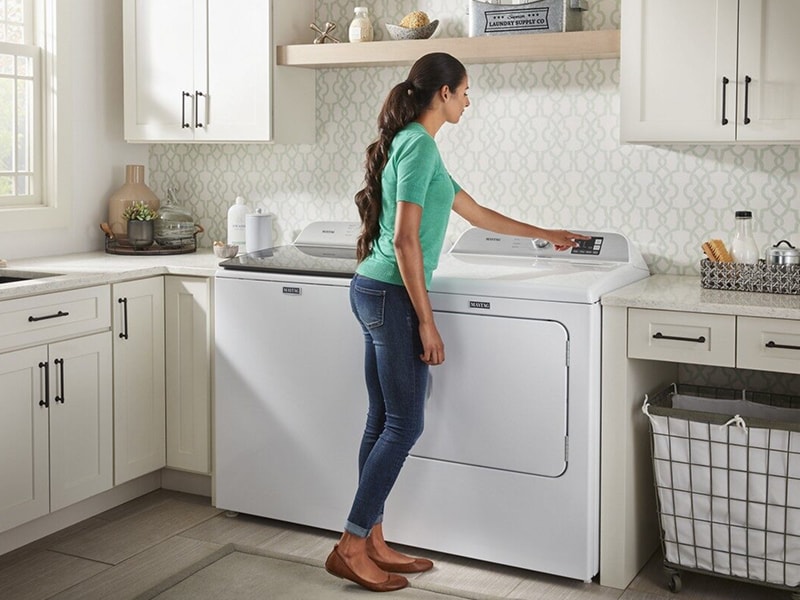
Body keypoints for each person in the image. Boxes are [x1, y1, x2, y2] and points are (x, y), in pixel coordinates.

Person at [324, 52, 589, 593]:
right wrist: (427, 322)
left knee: (382, 420)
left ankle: (372, 539)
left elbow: (477, 213)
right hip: (392, 296)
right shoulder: (419, 145)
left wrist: (547, 232)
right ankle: (350, 546)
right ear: (442, 94)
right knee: (405, 424)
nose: (469, 100)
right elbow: (403, 240)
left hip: (372, 289)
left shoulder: (416, 146)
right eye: (465, 91)